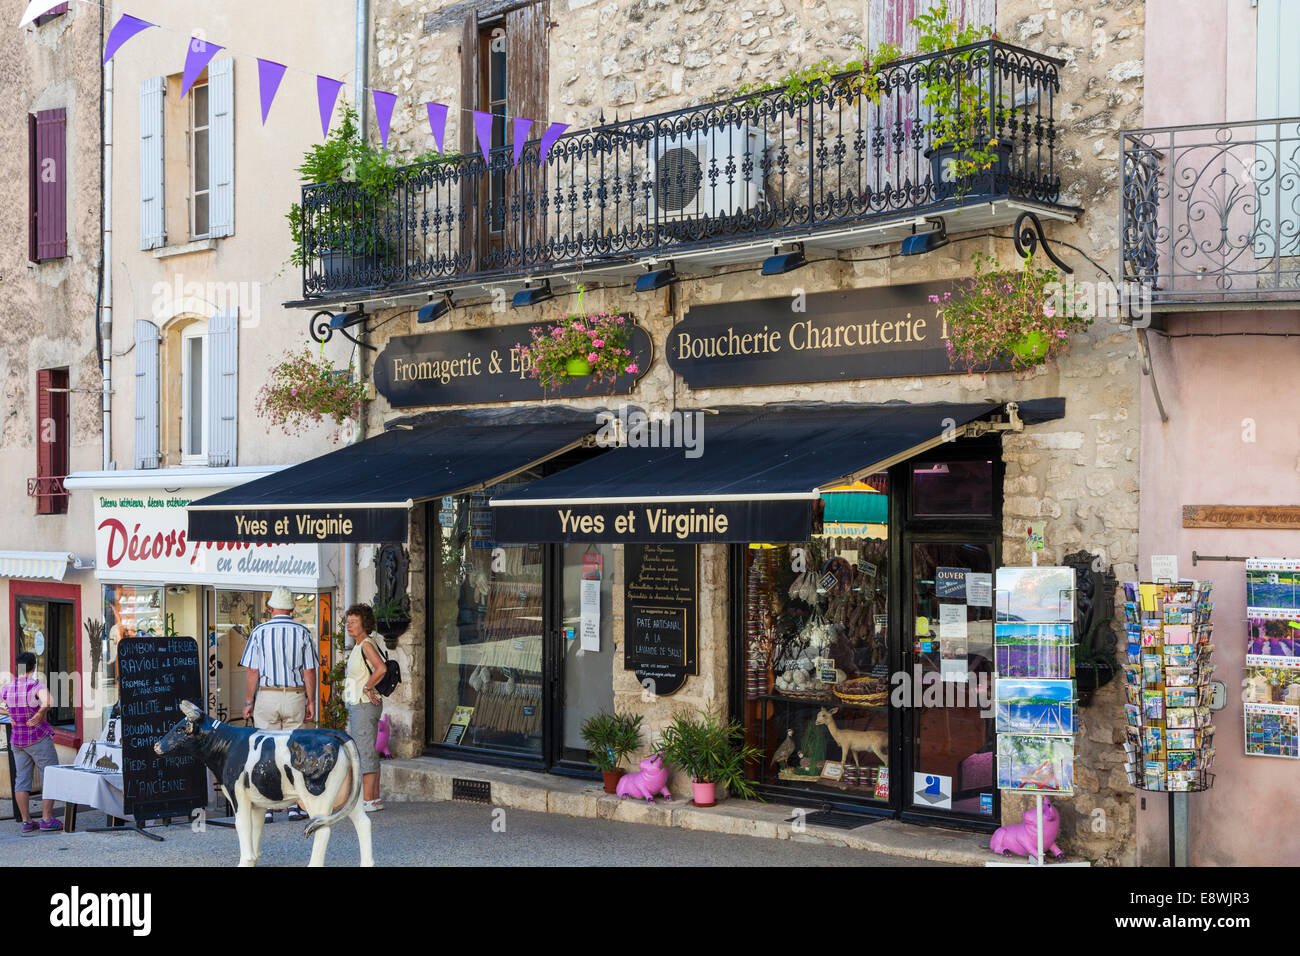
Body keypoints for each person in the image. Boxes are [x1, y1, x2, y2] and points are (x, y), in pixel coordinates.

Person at [240, 587, 318, 821]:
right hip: (294, 694)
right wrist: (311, 700)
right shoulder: (303, 632)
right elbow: (309, 671)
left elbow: (253, 671)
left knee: (267, 751)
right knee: (293, 751)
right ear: (292, 608)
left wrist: (248, 701)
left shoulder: (259, 632)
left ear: (271, 607)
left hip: (267, 695)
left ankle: (270, 806)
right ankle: (295, 805)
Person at [0, 653, 62, 833]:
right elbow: (49, 701)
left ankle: (26, 821)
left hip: (18, 741)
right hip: (38, 739)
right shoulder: (36, 686)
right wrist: (41, 713)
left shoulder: (8, 688)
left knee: (22, 780)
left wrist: (9, 713)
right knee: (49, 776)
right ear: (33, 667)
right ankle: (46, 819)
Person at [342, 603, 387, 813]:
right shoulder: (362, 644)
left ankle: (368, 799)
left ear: (364, 624)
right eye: (348, 622)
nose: (349, 626)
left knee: (364, 751)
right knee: (368, 750)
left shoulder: (366, 645)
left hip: (363, 704)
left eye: (353, 622)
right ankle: (374, 798)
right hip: (362, 704)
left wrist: (368, 686)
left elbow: (381, 669)